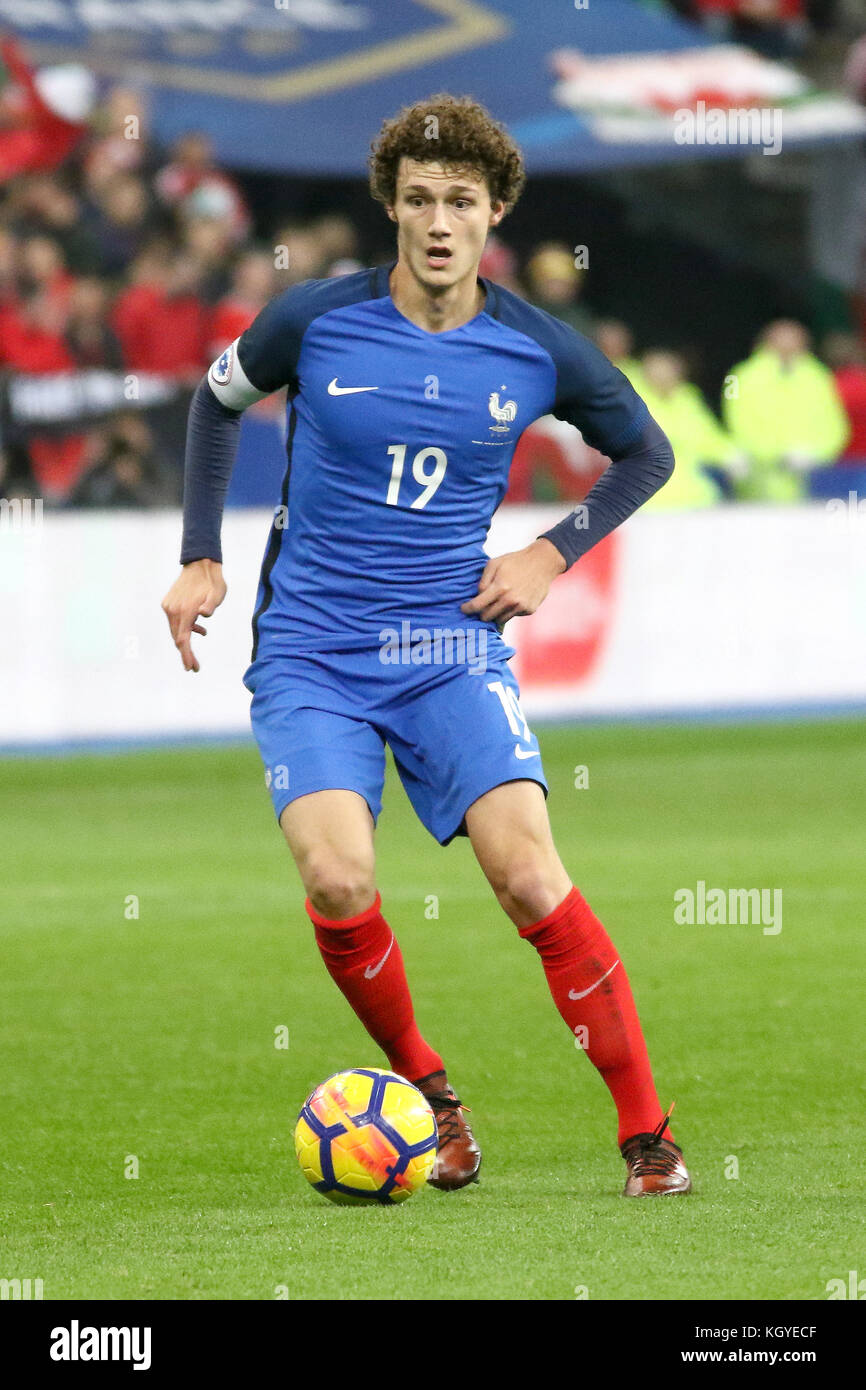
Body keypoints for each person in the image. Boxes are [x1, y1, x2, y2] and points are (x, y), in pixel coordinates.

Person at [161, 94, 691, 1198]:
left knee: (529, 879)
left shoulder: (536, 348)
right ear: (390, 209)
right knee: (339, 875)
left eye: (459, 200)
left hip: (449, 650)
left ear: (494, 209)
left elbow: (645, 455)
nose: (438, 221)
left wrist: (552, 550)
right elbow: (216, 406)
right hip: (311, 651)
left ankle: (645, 1133)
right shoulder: (313, 320)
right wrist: (202, 552)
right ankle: (430, 1097)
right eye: (416, 200)